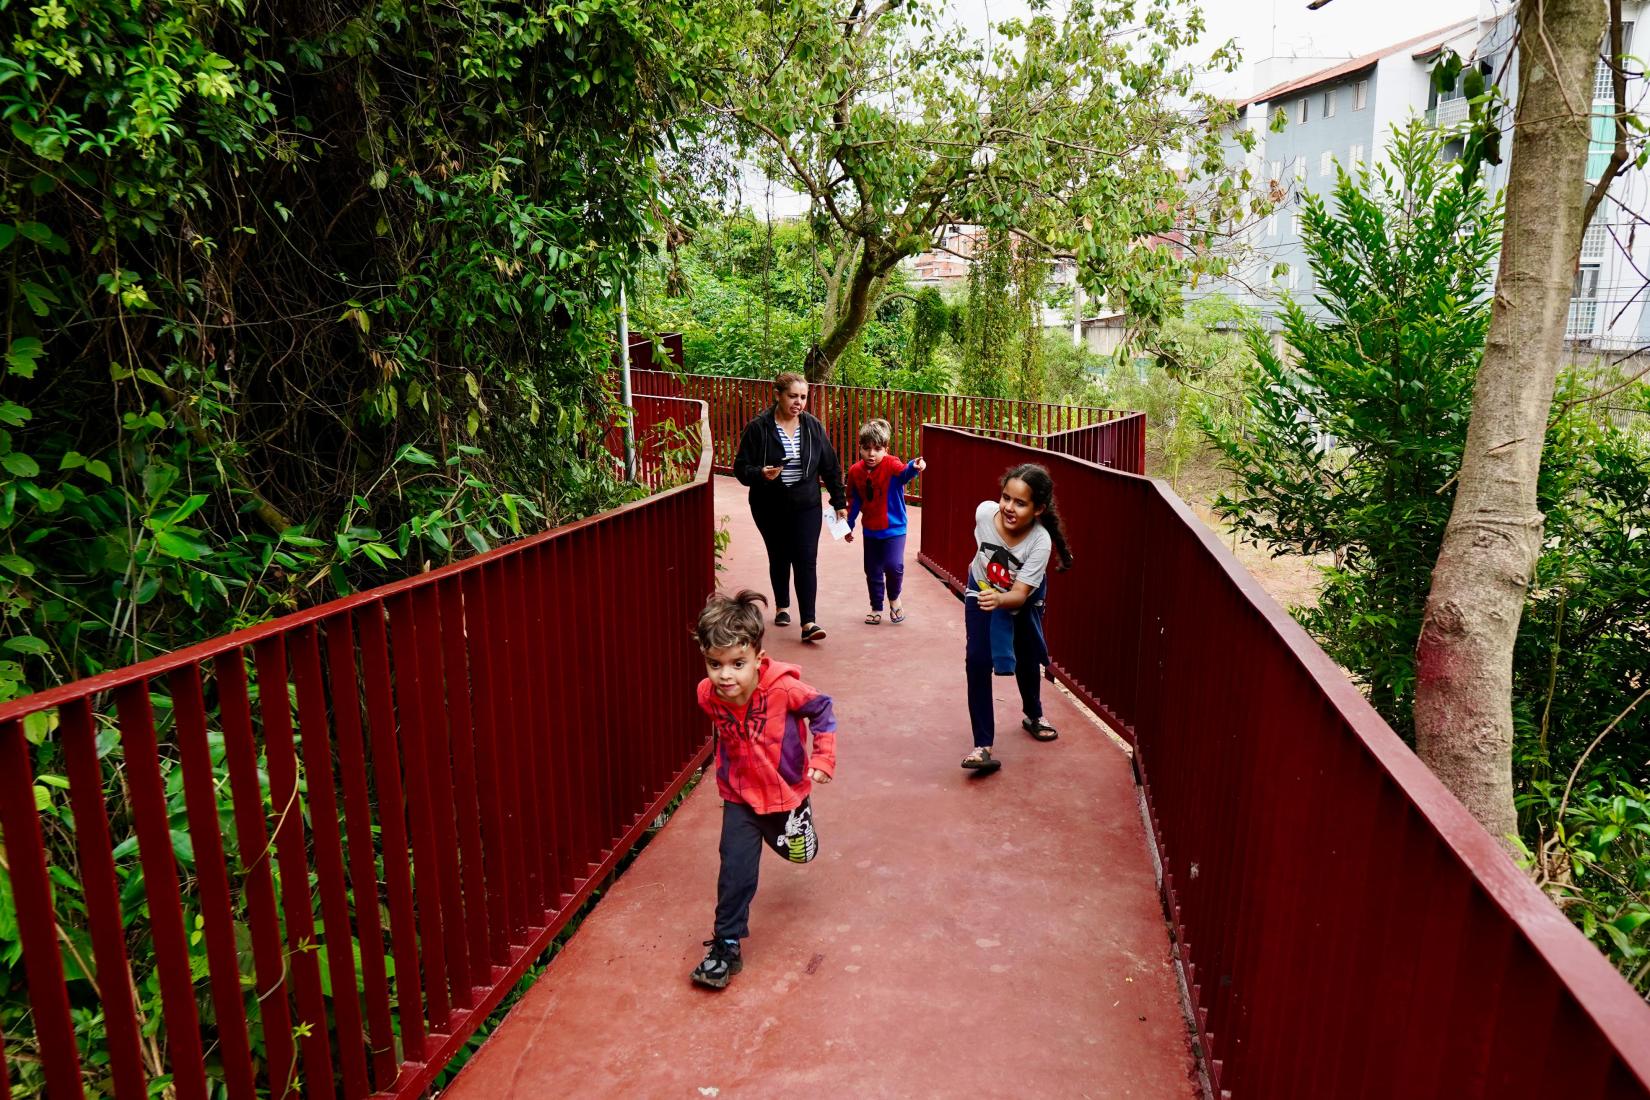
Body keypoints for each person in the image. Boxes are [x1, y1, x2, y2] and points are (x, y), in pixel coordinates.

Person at [691, 589, 837, 989]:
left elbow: (823, 710)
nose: (726, 676)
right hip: (739, 795)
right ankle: (726, 945)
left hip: (786, 794)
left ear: (758, 657)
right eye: (715, 664)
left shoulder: (784, 690)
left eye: (737, 664)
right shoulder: (708, 696)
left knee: (800, 855)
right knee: (735, 867)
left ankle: (800, 827)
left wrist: (823, 758)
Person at [960, 464, 1074, 772]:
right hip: (982, 590)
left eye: (1020, 503)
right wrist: (987, 588)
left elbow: (1020, 594)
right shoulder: (984, 513)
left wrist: (1001, 599)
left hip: (1023, 599)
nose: (1009, 507)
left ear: (1038, 509)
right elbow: (983, 550)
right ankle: (982, 746)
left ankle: (1033, 714)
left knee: (1027, 656)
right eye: (1006, 497)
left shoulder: (1040, 542)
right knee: (977, 660)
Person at [732, 371, 848, 643]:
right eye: (793, 396)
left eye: (803, 397)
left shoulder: (812, 427)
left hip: (806, 503)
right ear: (778, 395)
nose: (799, 402)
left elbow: (830, 466)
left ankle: (809, 622)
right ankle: (782, 606)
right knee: (780, 555)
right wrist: (761, 473)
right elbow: (741, 468)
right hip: (769, 504)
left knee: (806, 559)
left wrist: (839, 502)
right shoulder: (759, 427)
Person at [843, 418, 926, 624]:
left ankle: (895, 599)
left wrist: (914, 466)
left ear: (886, 450)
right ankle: (876, 606)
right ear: (860, 448)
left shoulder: (891, 464)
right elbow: (853, 501)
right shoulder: (855, 471)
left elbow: (904, 472)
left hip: (894, 527)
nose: (871, 454)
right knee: (872, 570)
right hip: (871, 529)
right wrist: (848, 526)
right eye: (866, 448)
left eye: (877, 449)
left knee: (893, 565)